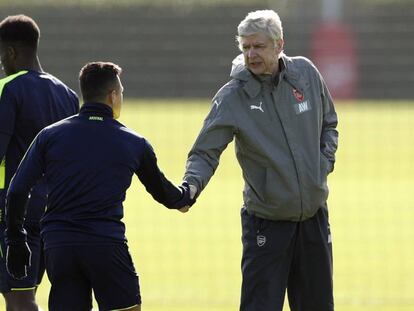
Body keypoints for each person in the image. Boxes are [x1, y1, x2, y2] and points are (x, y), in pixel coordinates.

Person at [4, 61, 195, 311]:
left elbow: (17, 190)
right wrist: (186, 196)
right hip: (105, 244)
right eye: (122, 93)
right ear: (113, 95)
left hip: (59, 247)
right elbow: (164, 193)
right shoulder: (134, 142)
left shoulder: (49, 136)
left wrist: (16, 240)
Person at [183, 10, 338, 311]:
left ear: (279, 45)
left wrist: (323, 164)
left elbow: (329, 123)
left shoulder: (305, 74)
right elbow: (205, 151)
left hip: (314, 219)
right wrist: (191, 185)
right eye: (245, 47)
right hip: (266, 224)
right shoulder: (232, 97)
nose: (250, 55)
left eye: (258, 46)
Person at [0, 14, 79, 310]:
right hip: (52, 210)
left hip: (10, 210)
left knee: (20, 298)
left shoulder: (8, 89)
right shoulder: (67, 95)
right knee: (25, 291)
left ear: (11, 52)